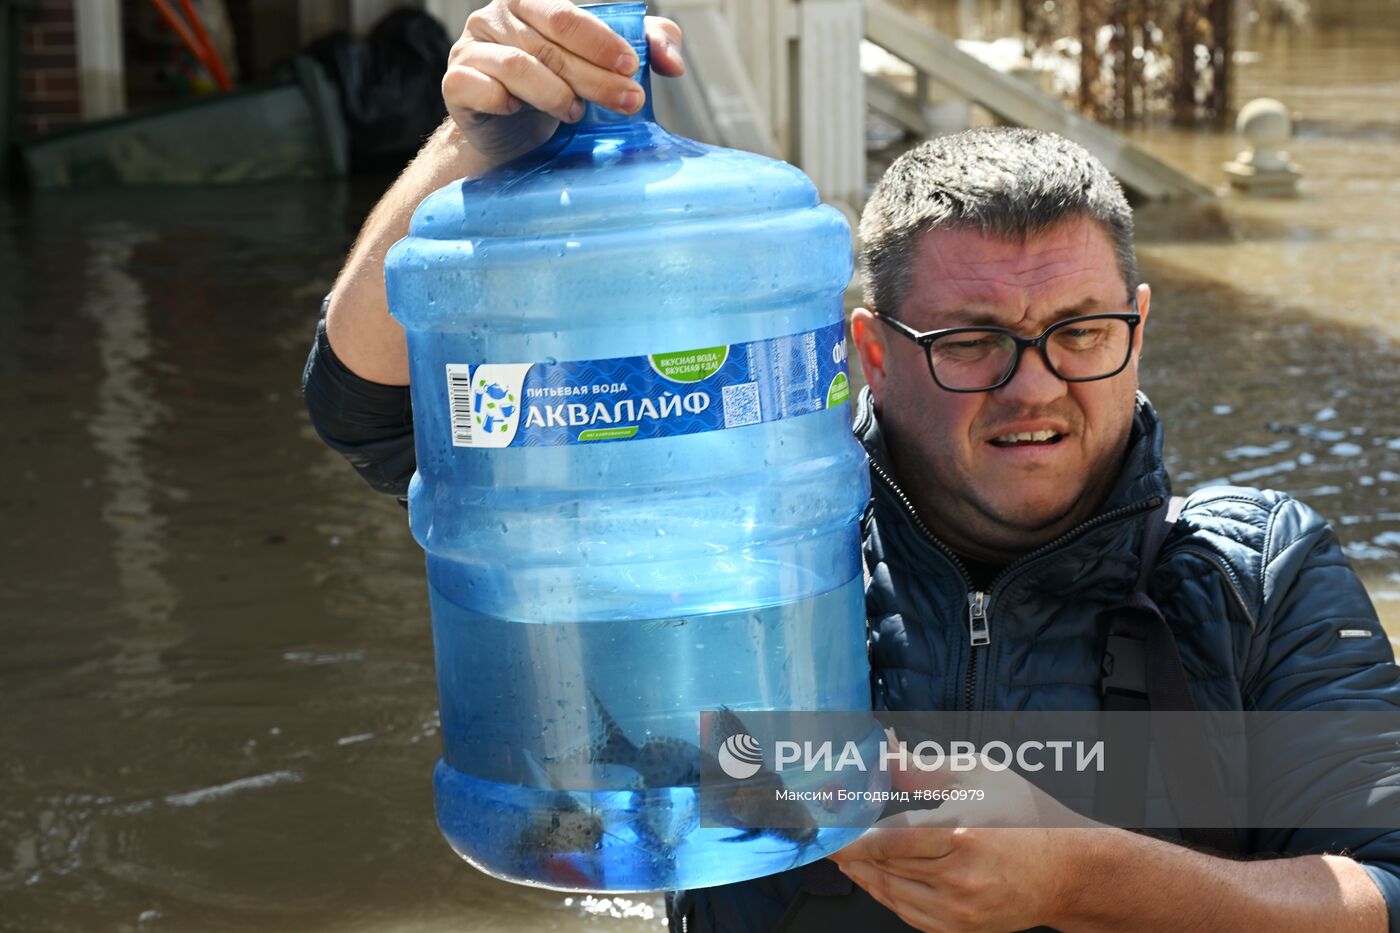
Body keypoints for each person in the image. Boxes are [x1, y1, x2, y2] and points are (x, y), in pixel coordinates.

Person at [301, 2, 1400, 930]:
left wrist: (1079, 870)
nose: (1034, 387)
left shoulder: (1254, 578)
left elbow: (1381, 887)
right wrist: (473, 151)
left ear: (1137, 327)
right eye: (969, 341)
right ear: (865, 353)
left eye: (1080, 331)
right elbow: (366, 406)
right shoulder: (747, 529)